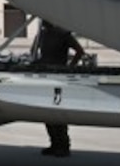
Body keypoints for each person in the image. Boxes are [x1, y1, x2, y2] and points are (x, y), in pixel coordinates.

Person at [34, 21, 87, 157]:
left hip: (59, 76)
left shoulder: (63, 34)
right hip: (45, 75)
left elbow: (80, 51)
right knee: (47, 113)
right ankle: (54, 143)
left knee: (57, 112)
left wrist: (70, 68)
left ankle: (63, 145)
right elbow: (36, 53)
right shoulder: (42, 34)